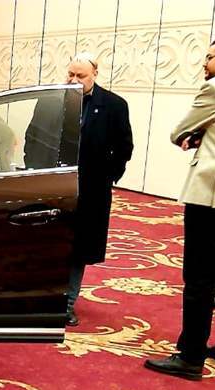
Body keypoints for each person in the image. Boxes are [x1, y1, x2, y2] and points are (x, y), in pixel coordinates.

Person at [144, 40, 215, 381]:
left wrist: (193, 134)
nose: (205, 62)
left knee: (199, 278)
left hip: (209, 197)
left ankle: (190, 356)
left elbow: (178, 132)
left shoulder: (213, 89)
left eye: (211, 56)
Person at [64, 52, 134, 327]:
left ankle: (67, 303)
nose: (74, 80)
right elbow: (33, 135)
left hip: (91, 189)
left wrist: (108, 176)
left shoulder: (114, 105)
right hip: (54, 185)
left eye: (80, 75)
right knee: (51, 242)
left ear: (95, 74)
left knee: (78, 248)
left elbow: (124, 147)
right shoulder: (53, 100)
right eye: (71, 74)